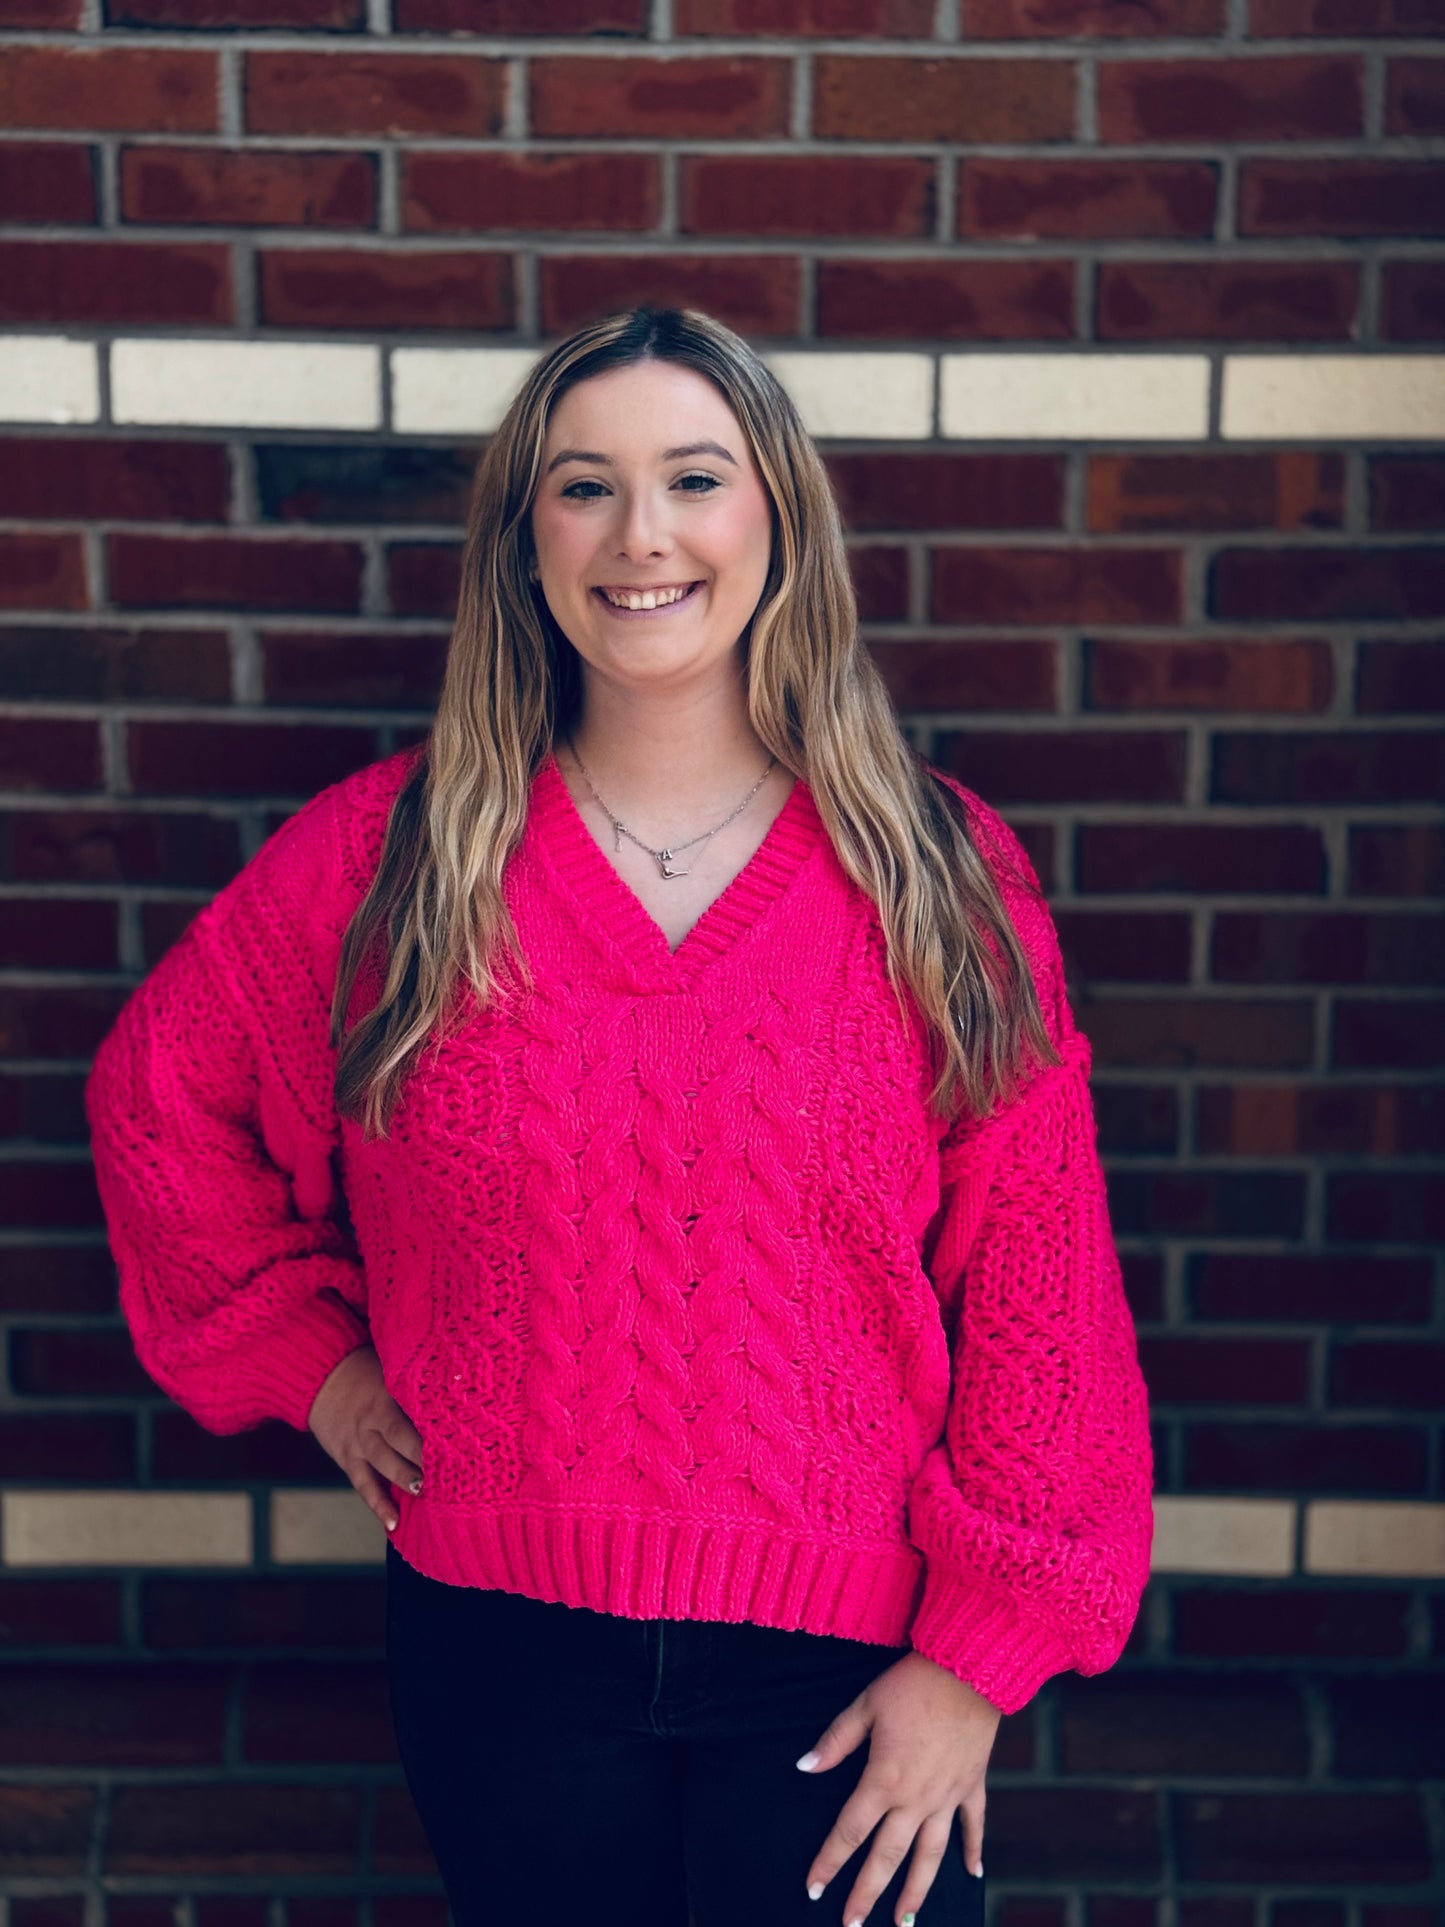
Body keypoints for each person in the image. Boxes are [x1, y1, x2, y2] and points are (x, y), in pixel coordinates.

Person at [85, 305, 1155, 1927]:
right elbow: (162, 1107)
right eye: (584, 487)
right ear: (525, 540)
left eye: (694, 479)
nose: (639, 535)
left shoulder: (933, 876)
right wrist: (315, 1369)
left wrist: (976, 1665)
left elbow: (1037, 1287)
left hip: (848, 1678)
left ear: (774, 518)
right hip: (502, 1663)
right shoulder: (390, 860)